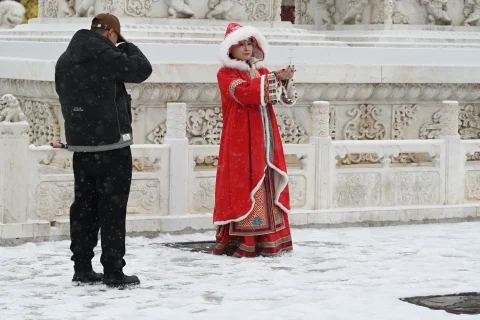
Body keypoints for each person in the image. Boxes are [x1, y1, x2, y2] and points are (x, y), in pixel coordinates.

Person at [55, 13, 152, 286]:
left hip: (82, 145)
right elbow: (142, 69)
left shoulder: (65, 58)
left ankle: (82, 267)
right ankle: (113, 270)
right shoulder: (108, 57)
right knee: (112, 208)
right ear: (111, 34)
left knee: (84, 207)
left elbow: (63, 93)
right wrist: (128, 45)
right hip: (112, 144)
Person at [212, 22, 297, 257]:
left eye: (250, 43)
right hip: (241, 140)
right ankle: (246, 241)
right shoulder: (226, 73)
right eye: (241, 44)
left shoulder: (259, 71)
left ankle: (270, 238)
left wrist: (284, 80)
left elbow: (281, 99)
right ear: (231, 48)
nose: (247, 48)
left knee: (266, 181)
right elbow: (245, 93)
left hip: (265, 138)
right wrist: (274, 78)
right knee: (245, 183)